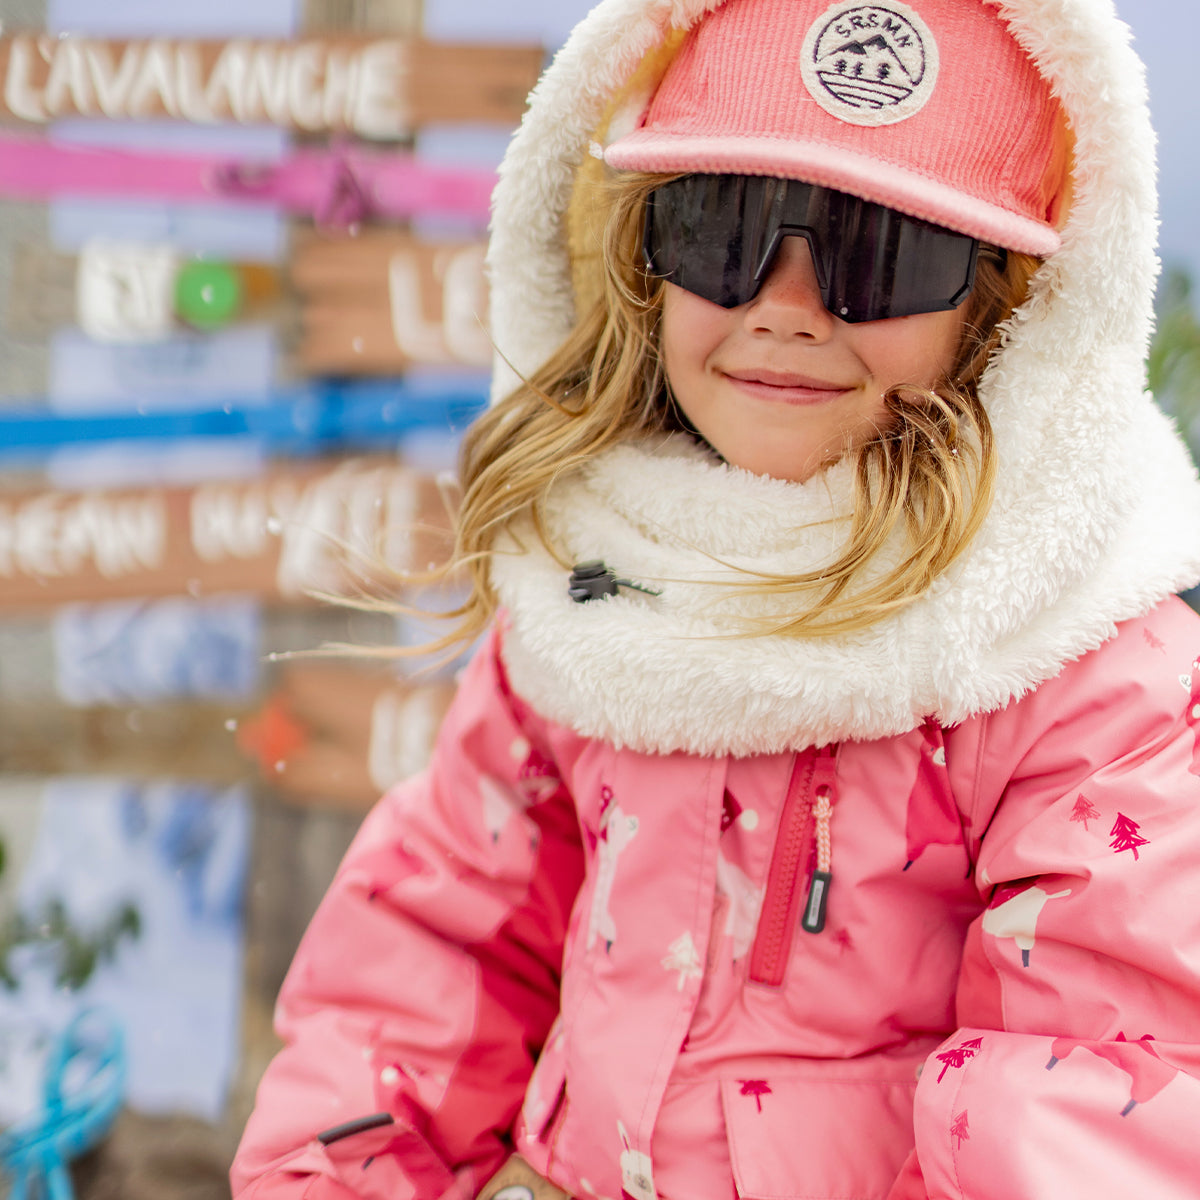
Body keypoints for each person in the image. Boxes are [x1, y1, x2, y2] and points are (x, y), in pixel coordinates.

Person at [232, 0, 1200, 1197]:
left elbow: (1093, 1087)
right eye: (723, 229)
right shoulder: (602, 581)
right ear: (647, 255)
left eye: (878, 251)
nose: (784, 305)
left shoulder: (1073, 666)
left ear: (1000, 305)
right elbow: (438, 941)